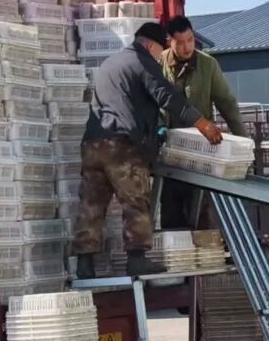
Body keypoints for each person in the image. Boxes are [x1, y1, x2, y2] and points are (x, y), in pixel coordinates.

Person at [72, 22, 223, 279]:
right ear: (151, 45)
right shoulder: (142, 61)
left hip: (93, 144)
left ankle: (84, 264)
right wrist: (202, 123)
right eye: (160, 50)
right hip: (122, 146)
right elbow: (167, 96)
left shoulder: (109, 64)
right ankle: (137, 259)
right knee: (136, 201)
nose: (160, 56)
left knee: (91, 204)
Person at [159, 15, 247, 229]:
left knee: (200, 209)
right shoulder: (159, 63)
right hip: (169, 150)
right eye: (180, 42)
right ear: (170, 41)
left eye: (190, 40)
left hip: (200, 150)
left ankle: (203, 246)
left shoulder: (208, 65)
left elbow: (227, 103)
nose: (187, 47)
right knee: (170, 210)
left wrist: (243, 144)